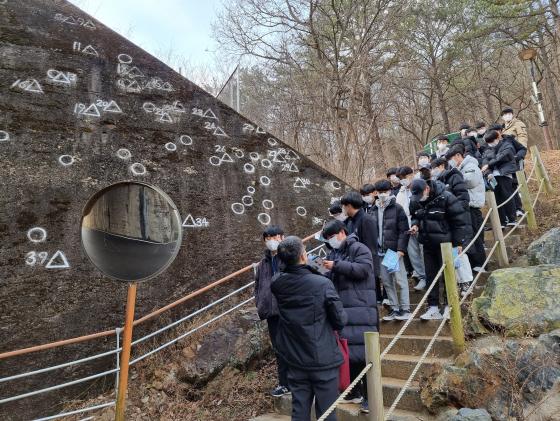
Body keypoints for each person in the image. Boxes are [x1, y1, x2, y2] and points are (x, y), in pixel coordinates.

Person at [271, 236, 347, 421]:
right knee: (327, 412)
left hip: (295, 357)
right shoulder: (322, 284)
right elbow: (340, 320)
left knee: (299, 411)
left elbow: (287, 275)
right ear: (304, 256)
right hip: (323, 358)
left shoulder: (277, 283)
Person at [321, 220, 378, 414]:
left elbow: (363, 270)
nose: (331, 241)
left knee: (364, 355)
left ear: (342, 232)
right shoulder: (334, 253)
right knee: (349, 353)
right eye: (328, 238)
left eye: (332, 236)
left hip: (361, 307)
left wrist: (336, 265)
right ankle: (354, 391)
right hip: (344, 309)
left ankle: (372, 398)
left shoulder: (359, 248)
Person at [409, 179, 470, 320]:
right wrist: (415, 225)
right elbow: (415, 215)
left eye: (420, 194)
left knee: (448, 275)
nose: (419, 198)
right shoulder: (416, 200)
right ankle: (433, 307)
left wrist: (458, 243)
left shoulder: (446, 197)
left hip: (446, 244)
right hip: (427, 243)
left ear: (426, 189)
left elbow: (459, 221)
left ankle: (450, 306)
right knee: (430, 275)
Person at [254, 226, 289, 396]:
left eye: (274, 237)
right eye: (267, 238)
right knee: (279, 349)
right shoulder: (263, 263)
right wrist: (260, 303)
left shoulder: (290, 257)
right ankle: (284, 383)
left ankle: (300, 381)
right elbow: (257, 286)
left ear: (282, 237)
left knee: (293, 346)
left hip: (289, 311)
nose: (270, 241)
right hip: (271, 314)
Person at [446, 146, 487, 291]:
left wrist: (456, 177)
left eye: (451, 159)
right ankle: (476, 263)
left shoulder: (470, 165)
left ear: (458, 155)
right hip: (467, 206)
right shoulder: (461, 168)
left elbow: (470, 181)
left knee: (476, 235)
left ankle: (481, 264)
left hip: (473, 204)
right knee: (470, 236)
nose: (451, 162)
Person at [370, 180, 411, 321]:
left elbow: (403, 231)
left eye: (385, 192)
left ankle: (405, 308)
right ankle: (394, 308)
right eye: (380, 192)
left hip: (393, 251)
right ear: (376, 193)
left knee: (400, 280)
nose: (382, 195)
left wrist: (401, 249)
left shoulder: (397, 208)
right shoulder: (373, 210)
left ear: (390, 191)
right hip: (379, 252)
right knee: (387, 282)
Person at [340, 191, 380, 299]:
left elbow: (371, 247)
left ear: (349, 206)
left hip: (365, 267)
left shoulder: (366, 220)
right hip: (355, 265)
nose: (343, 208)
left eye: (344, 206)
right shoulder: (350, 221)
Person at [396, 166, 427, 290]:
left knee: (424, 252)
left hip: (422, 225)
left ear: (411, 174)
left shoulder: (422, 186)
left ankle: (430, 275)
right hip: (407, 227)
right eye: (401, 179)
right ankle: (421, 277)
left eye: (405, 177)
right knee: (413, 254)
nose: (403, 180)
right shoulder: (401, 192)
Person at [489, 123, 528, 217]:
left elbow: (522, 149)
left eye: (498, 131)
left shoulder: (509, 139)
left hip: (512, 166)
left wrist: (518, 157)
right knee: (506, 190)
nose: (496, 133)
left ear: (501, 131)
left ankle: (518, 209)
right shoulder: (491, 143)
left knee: (514, 187)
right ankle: (509, 213)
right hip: (500, 169)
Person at [481, 130, 518, 227]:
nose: (491, 144)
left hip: (504, 174)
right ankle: (502, 221)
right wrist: (488, 173)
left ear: (497, 138)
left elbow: (502, 157)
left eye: (492, 141)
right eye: (488, 142)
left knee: (507, 196)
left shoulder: (507, 145)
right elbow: (484, 163)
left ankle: (512, 218)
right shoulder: (487, 150)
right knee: (497, 199)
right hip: (492, 176)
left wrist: (489, 164)